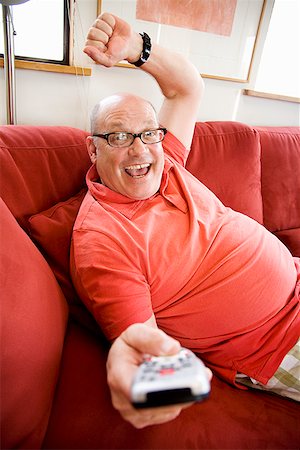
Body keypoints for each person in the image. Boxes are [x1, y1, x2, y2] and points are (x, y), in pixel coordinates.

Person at [71, 12, 300, 428]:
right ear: (93, 149)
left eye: (148, 134)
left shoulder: (166, 160)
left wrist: (136, 48)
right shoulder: (102, 241)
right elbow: (142, 346)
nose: (140, 152)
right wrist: (150, 375)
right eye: (119, 137)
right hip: (278, 342)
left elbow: (187, 86)